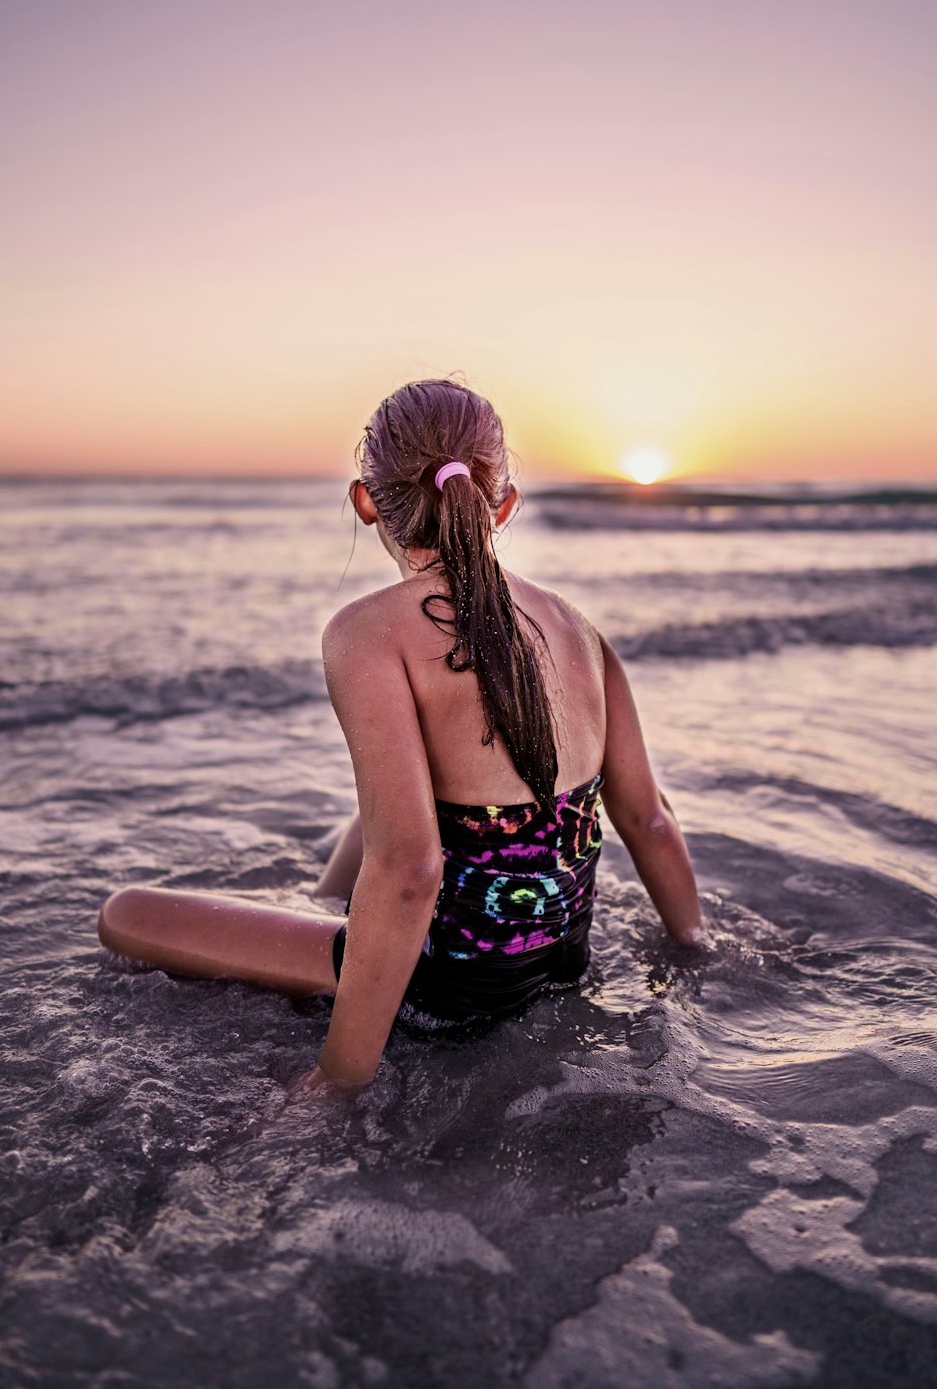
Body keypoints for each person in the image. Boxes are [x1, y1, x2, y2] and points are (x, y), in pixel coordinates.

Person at [97, 380, 704, 1093]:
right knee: (385, 803)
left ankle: (326, 930)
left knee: (127, 915)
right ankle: (319, 903)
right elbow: (650, 820)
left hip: (445, 981)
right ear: (502, 504)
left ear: (365, 502)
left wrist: (337, 1077)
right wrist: (695, 945)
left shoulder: (366, 632)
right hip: (561, 962)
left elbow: (413, 869)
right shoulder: (579, 630)